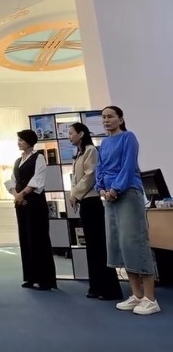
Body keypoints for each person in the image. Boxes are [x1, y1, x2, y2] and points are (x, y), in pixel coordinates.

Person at [95, 106, 160, 315]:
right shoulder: (104, 143)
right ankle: (136, 295)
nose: (106, 120)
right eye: (103, 117)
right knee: (121, 244)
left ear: (120, 119)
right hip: (109, 197)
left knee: (135, 243)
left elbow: (128, 166)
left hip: (127, 193)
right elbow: (100, 168)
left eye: (110, 116)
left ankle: (150, 299)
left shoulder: (128, 137)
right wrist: (101, 188)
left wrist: (116, 188)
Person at [68, 122, 122, 301]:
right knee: (91, 247)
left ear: (81, 134)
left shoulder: (90, 150)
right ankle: (96, 286)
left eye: (71, 133)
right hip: (85, 202)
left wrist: (75, 194)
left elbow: (90, 176)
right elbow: (77, 178)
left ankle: (109, 289)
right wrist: (75, 195)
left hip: (92, 202)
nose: (69, 136)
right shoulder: (79, 153)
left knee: (99, 247)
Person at [6, 129, 56, 291]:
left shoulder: (39, 157)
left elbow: (38, 179)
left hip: (35, 202)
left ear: (29, 141)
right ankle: (30, 277)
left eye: (21, 140)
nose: (19, 142)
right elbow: (12, 181)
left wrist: (22, 194)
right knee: (25, 238)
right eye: (18, 140)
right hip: (21, 203)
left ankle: (44, 280)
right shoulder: (18, 160)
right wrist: (16, 195)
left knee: (38, 238)